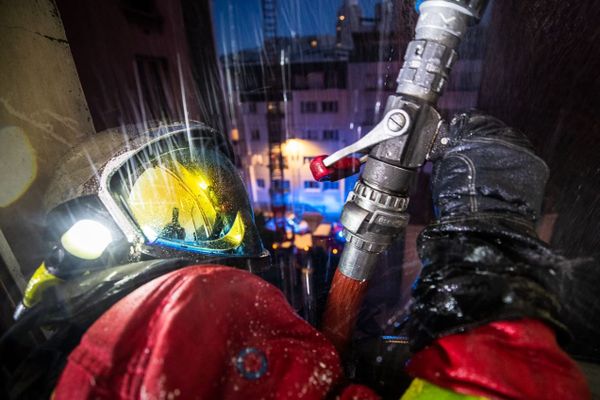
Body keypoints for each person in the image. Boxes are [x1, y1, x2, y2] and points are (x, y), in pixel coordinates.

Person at [4, 114, 592, 399]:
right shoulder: (181, 303)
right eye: (174, 212)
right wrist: (484, 255)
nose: (226, 234)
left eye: (224, 202)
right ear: (97, 231)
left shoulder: (59, 330)